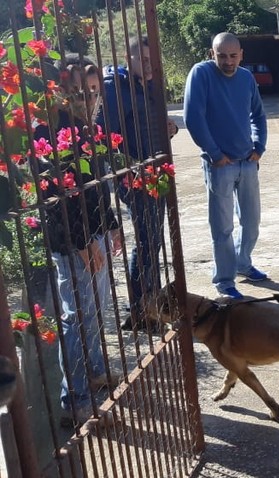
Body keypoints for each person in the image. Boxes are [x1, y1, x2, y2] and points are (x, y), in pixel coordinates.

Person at [35, 54, 123, 424]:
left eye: (90, 92)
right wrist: (85, 240)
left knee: (95, 310)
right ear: (58, 93)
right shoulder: (49, 132)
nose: (85, 100)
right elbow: (57, 199)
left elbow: (96, 187)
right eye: (75, 92)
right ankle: (76, 400)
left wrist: (113, 224)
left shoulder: (88, 128)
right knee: (77, 316)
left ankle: (95, 370)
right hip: (73, 242)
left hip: (95, 233)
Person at [96, 35, 178, 330]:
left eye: (151, 59)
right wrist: (128, 168)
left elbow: (144, 127)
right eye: (141, 59)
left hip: (156, 174)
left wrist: (168, 129)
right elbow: (103, 137)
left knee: (153, 242)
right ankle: (141, 311)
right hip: (136, 178)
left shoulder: (148, 86)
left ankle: (151, 305)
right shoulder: (116, 89)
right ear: (127, 59)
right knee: (146, 243)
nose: (148, 64)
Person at [184, 32, 268, 299]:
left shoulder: (246, 78)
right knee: (222, 228)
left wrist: (259, 146)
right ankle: (224, 280)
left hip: (247, 162)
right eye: (222, 56)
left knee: (252, 222)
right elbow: (193, 117)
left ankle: (243, 263)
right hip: (220, 165)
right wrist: (215, 154)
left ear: (241, 54)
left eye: (233, 56)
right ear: (212, 54)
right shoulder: (201, 74)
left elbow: (258, 114)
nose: (228, 61)